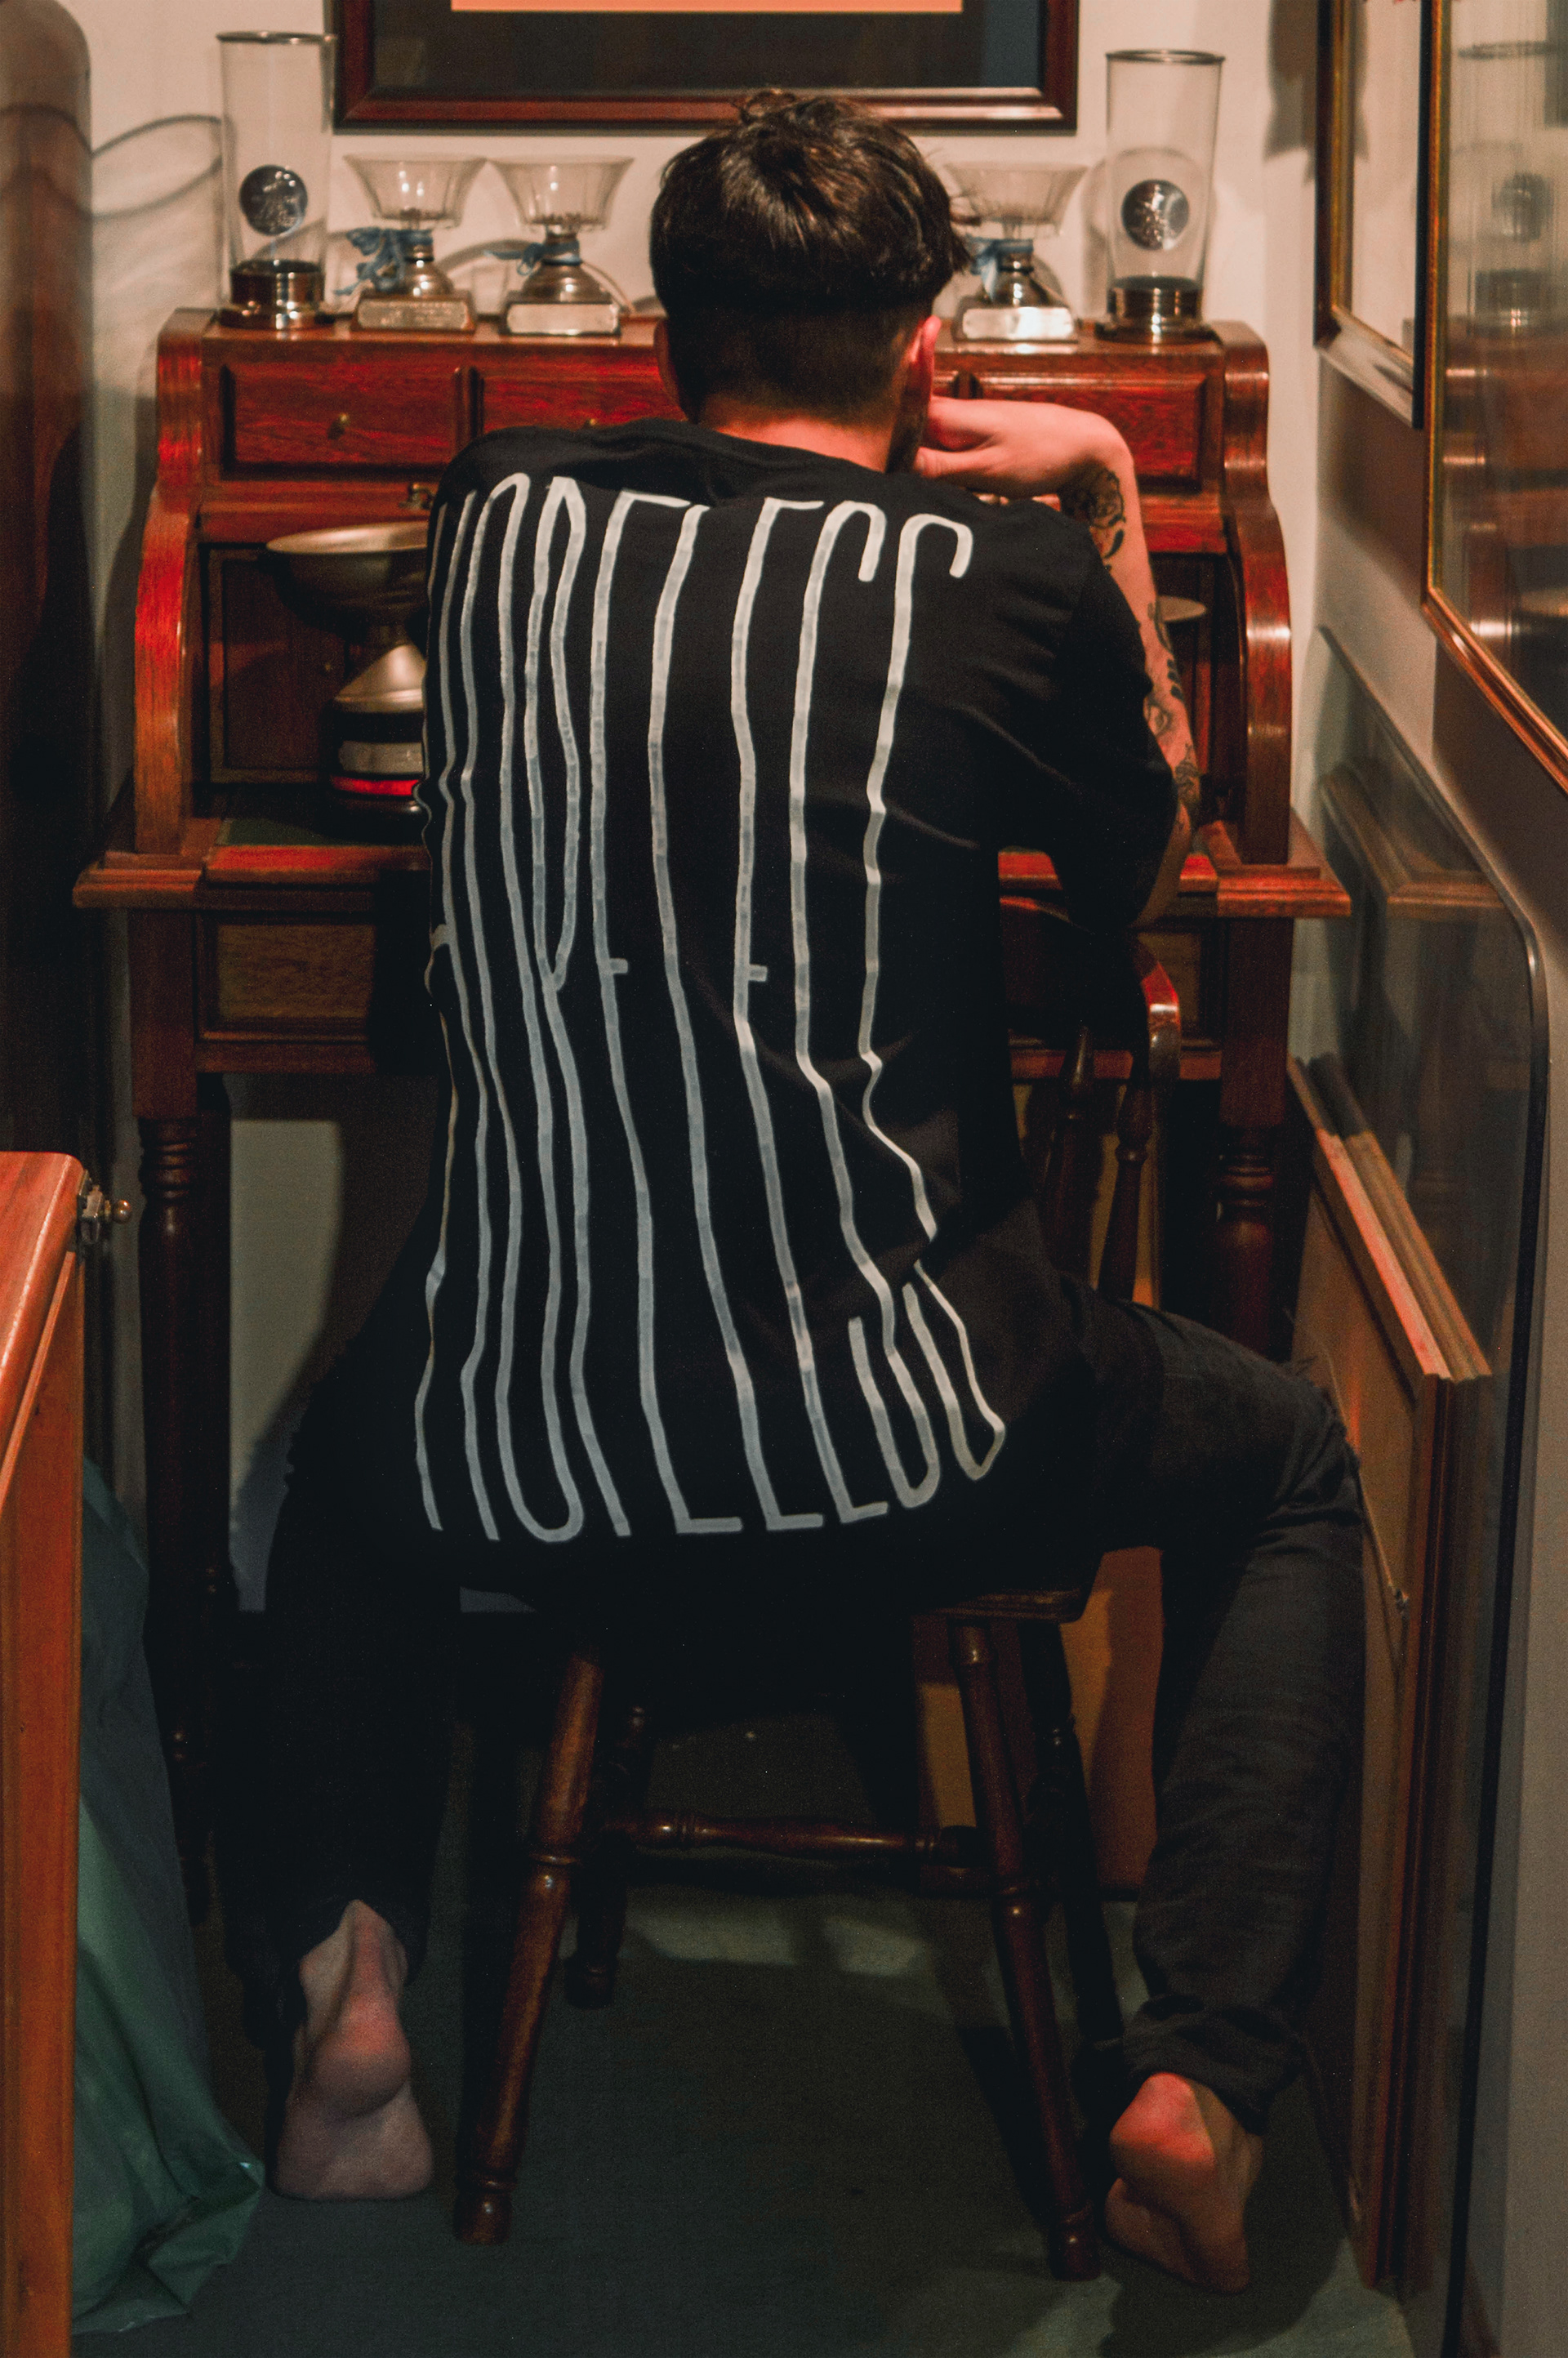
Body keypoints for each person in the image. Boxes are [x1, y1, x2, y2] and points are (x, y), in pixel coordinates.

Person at [261, 93, 1363, 2296]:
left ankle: (349, 1996)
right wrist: (1107, 495)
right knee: (1297, 1463)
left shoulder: (494, 512)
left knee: (353, 1447)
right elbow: (1148, 862)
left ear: (662, 335)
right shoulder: (1004, 579)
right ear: (930, 344)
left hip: (528, 1465)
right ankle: (1204, 2079)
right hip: (914, 1466)